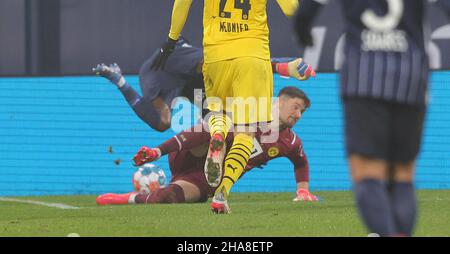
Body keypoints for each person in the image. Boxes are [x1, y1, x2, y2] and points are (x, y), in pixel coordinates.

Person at [294, 0, 450, 236]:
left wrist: (303, 32)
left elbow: (306, 11)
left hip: (364, 79)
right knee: (403, 174)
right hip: (411, 80)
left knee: (367, 173)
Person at [150, 0, 301, 214]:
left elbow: (182, 3)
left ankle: (218, 134)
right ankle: (222, 193)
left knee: (216, 112)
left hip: (215, 56)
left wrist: (171, 39)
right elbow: (292, 8)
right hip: (252, 56)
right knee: (246, 133)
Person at [96, 87, 319, 206]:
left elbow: (301, 162)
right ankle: (217, 148)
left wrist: (302, 190)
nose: (298, 115)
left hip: (206, 180)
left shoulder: (289, 142)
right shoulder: (249, 113)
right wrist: (158, 151)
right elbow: (196, 133)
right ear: (279, 101)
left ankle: (128, 198)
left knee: (168, 198)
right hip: (190, 153)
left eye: (302, 112)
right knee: (214, 129)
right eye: (296, 107)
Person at [93, 38, 315, 132]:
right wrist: (280, 67)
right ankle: (118, 79)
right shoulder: (158, 76)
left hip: (190, 74)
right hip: (161, 72)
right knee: (163, 123)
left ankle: (237, 153)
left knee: (222, 119)